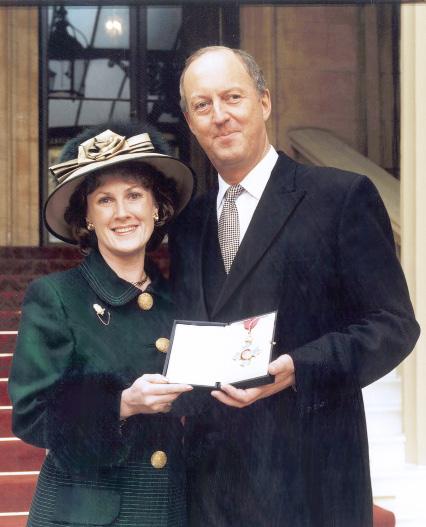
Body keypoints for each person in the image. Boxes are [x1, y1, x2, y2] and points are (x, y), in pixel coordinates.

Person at [169, 46, 420, 527]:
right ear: (190, 122)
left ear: (263, 102)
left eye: (233, 97)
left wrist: (299, 368)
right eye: (202, 105)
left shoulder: (340, 197)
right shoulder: (187, 224)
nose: (219, 115)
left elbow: (394, 325)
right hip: (213, 488)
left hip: (313, 481)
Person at [8, 126, 195, 527]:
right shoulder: (56, 296)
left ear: (157, 207)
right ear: (87, 218)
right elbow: (29, 415)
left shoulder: (181, 300)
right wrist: (122, 404)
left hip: (171, 511)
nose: (122, 212)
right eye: (105, 200)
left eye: (134, 195)